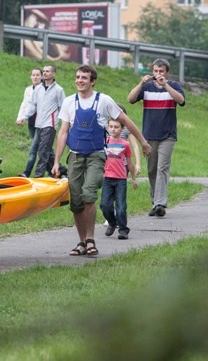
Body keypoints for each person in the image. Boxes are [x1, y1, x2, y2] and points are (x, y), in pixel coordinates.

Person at [52, 65, 151, 256]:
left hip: (96, 155)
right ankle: (81, 242)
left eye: (84, 78)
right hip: (75, 156)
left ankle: (90, 240)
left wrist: (144, 142)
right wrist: (56, 161)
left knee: (89, 194)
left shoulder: (103, 101)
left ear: (93, 81)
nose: (80, 80)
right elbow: (63, 132)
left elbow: (127, 121)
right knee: (76, 201)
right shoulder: (69, 102)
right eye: (78, 77)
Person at [127, 58, 185, 218]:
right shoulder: (146, 87)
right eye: (155, 71)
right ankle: (155, 203)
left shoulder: (173, 86)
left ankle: (160, 202)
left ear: (167, 73)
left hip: (168, 136)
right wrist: (140, 83)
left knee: (162, 168)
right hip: (149, 135)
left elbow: (181, 100)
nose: (158, 74)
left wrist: (165, 85)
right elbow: (130, 99)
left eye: (161, 71)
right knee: (152, 170)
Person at [17, 65, 65, 178]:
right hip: (38, 124)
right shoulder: (38, 89)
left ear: (53, 74)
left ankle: (38, 176)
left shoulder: (59, 90)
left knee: (43, 150)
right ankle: (60, 171)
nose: (45, 73)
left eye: (47, 71)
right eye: (44, 71)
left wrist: (65, 125)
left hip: (50, 125)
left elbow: (63, 107)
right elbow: (32, 105)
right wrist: (23, 117)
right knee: (44, 150)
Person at [100, 117, 138, 240]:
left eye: (116, 127)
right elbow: (100, 160)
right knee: (104, 205)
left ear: (122, 129)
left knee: (121, 207)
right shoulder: (104, 142)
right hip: (107, 179)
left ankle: (123, 230)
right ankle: (112, 222)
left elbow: (130, 163)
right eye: (111, 126)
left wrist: (133, 178)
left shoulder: (125, 145)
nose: (113, 129)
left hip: (120, 179)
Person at [16, 68, 42, 177]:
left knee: (33, 149)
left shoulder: (43, 90)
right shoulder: (28, 90)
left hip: (41, 124)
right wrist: (20, 117)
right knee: (45, 149)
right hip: (31, 122)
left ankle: (26, 173)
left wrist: (24, 117)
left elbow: (34, 107)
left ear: (41, 77)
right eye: (33, 75)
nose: (35, 77)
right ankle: (59, 170)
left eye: (37, 75)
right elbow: (24, 104)